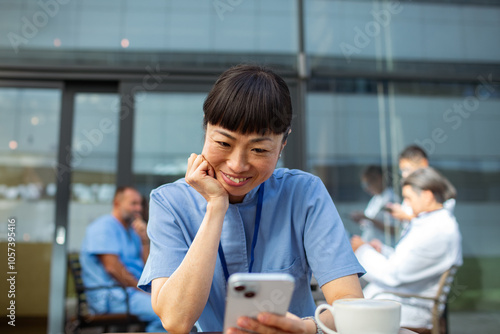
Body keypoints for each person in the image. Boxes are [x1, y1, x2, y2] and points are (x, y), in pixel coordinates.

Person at [138, 64, 365, 334]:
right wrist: (216, 207)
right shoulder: (169, 203)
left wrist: (308, 328)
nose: (237, 165)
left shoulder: (304, 194)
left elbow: (351, 306)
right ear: (206, 129)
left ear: (283, 144)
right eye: (223, 143)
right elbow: (175, 321)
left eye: (259, 149)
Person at [351, 167, 462, 329]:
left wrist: (362, 250)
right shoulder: (432, 223)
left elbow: (393, 275)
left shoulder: (437, 231)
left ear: (427, 196)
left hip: (410, 309)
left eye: (408, 199)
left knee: (341, 315)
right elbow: (408, 260)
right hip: (403, 299)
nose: (405, 205)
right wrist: (382, 250)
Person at [80, 186, 165, 332]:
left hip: (131, 294)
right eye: (133, 203)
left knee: (174, 308)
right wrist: (144, 292)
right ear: (117, 203)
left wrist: (144, 240)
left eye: (140, 204)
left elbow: (149, 267)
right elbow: (113, 269)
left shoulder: (132, 232)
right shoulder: (103, 228)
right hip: (112, 297)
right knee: (166, 313)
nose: (138, 208)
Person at [350, 165, 396, 245]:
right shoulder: (376, 199)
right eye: (364, 185)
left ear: (379, 179)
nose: (366, 188)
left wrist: (368, 219)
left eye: (368, 184)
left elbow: (394, 229)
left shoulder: (391, 198)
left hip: (384, 247)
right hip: (371, 245)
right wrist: (362, 219)